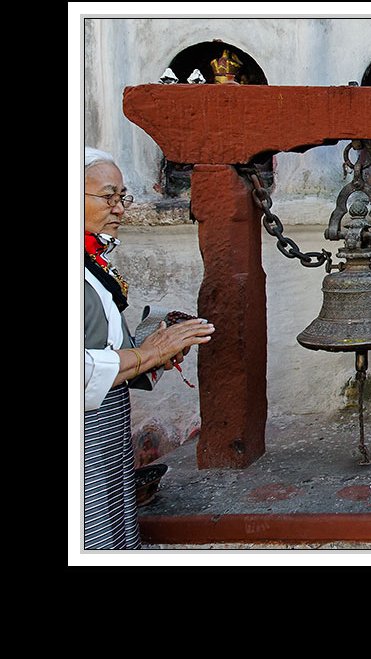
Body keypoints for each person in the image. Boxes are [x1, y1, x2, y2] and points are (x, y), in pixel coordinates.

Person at [83, 147, 215, 549]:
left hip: (104, 430)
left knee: (111, 529)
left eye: (123, 197)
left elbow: (100, 344)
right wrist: (148, 354)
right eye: (108, 197)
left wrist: (152, 348)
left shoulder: (91, 262)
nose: (119, 208)